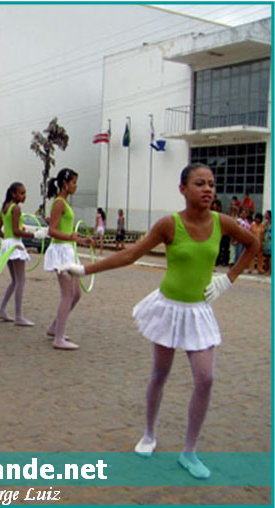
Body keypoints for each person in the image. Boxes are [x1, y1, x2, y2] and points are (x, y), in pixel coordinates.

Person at [60, 162, 259, 479]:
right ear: (183, 189)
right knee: (160, 373)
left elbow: (253, 244)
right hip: (168, 308)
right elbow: (130, 255)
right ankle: (149, 434)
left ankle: (189, 452)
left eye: (211, 183)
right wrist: (84, 270)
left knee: (205, 378)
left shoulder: (223, 222)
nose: (207, 188)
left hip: (198, 311)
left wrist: (228, 279)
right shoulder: (169, 224)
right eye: (199, 183)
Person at [44, 169, 93, 350]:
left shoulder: (64, 203)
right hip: (61, 251)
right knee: (67, 295)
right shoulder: (59, 203)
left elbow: (65, 230)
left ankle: (55, 327)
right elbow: (52, 231)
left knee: (76, 294)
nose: (76, 186)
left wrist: (80, 239)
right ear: (65, 184)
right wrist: (71, 238)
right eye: (73, 183)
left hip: (67, 250)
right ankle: (59, 338)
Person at [0, 182, 46, 326]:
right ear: (13, 194)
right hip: (15, 244)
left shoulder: (4, 208)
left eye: (24, 193)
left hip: (8, 244)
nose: (24, 196)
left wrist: (7, 241)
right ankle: (18, 316)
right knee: (20, 280)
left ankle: (2, 309)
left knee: (15, 280)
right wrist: (34, 234)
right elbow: (17, 231)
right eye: (21, 193)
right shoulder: (16, 208)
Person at [263, 210, 271, 276]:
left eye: (266, 214)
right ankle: (266, 269)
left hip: (271, 241)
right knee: (267, 256)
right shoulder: (265, 223)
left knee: (271, 256)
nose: (265, 215)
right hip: (266, 240)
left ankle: (270, 270)